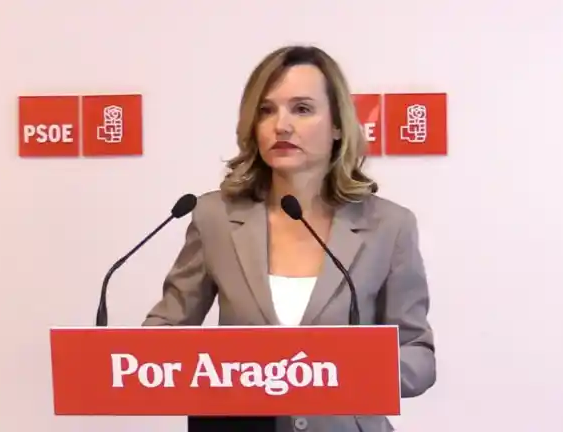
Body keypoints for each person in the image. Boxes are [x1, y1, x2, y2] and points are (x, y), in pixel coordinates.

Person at [143, 45, 436, 432]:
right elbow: (163, 334)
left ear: (337, 125)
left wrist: (346, 375)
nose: (281, 125)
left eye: (302, 109)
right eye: (266, 110)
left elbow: (418, 354)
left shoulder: (389, 225)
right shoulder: (215, 217)